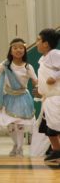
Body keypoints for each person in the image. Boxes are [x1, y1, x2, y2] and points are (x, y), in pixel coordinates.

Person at [0, 38, 37, 157]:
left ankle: (20, 148)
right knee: (10, 125)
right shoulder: (6, 64)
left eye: (21, 48)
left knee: (19, 124)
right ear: (11, 51)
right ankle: (16, 144)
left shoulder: (28, 67)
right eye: (15, 48)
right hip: (8, 98)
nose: (18, 50)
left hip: (23, 98)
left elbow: (36, 81)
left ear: (24, 51)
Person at [34, 28, 60, 161]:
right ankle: (56, 151)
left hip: (56, 97)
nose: (36, 42)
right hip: (48, 98)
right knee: (49, 128)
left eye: (38, 40)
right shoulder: (43, 58)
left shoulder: (54, 53)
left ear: (46, 43)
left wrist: (55, 76)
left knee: (57, 126)